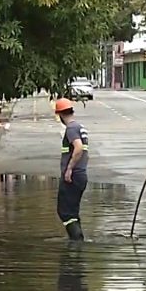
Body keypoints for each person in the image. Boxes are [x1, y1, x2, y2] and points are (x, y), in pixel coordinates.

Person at [54, 98, 89, 241]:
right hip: (80, 176)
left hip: (72, 177)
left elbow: (78, 147)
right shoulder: (79, 127)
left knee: (65, 212)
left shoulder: (71, 129)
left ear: (60, 114)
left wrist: (69, 169)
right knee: (72, 212)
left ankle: (76, 240)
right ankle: (76, 239)